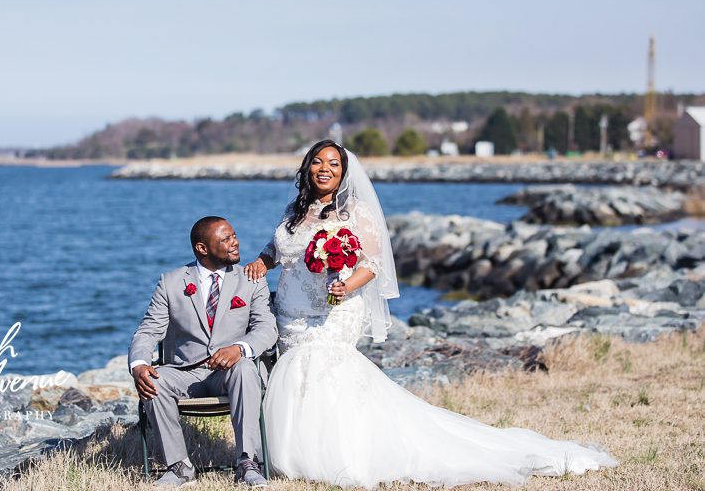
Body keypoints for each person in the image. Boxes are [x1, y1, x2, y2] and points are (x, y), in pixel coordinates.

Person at [244, 140, 616, 488]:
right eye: (318, 162)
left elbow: (372, 264)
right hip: (290, 310)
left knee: (322, 369)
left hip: (335, 306)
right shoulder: (295, 209)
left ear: (343, 174)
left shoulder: (354, 211)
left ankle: (335, 455)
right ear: (307, 167)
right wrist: (262, 261)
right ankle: (292, 453)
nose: (324, 169)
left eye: (334, 164)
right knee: (294, 371)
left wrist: (348, 286)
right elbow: (278, 248)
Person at [129, 216, 278, 487]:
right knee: (152, 379)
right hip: (185, 374)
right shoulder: (171, 282)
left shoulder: (251, 280)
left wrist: (240, 348)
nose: (235, 243)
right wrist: (139, 364)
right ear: (202, 248)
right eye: (226, 239)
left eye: (234, 235)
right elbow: (148, 330)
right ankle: (179, 468)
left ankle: (247, 462)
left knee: (245, 367)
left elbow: (267, 329)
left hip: (230, 372)